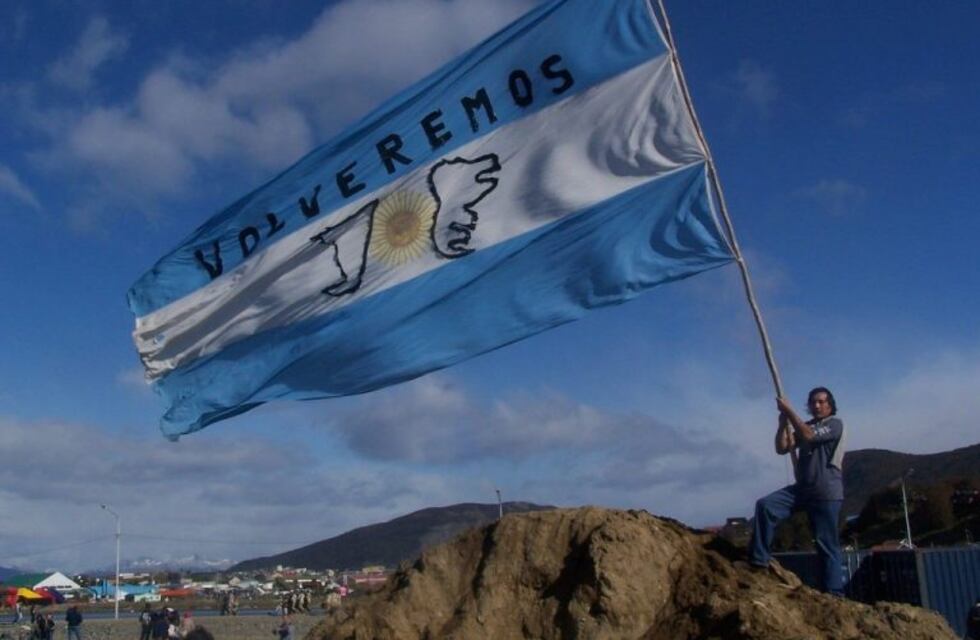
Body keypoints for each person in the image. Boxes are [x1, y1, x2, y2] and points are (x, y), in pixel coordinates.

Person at [748, 387, 846, 596]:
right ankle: (759, 561)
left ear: (830, 405)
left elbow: (808, 435)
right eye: (813, 402)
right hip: (803, 490)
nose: (817, 406)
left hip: (825, 493)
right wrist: (782, 422)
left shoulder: (834, 425)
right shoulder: (806, 426)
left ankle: (834, 594)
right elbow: (782, 447)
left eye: (821, 402)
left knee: (826, 544)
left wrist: (790, 412)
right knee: (766, 505)